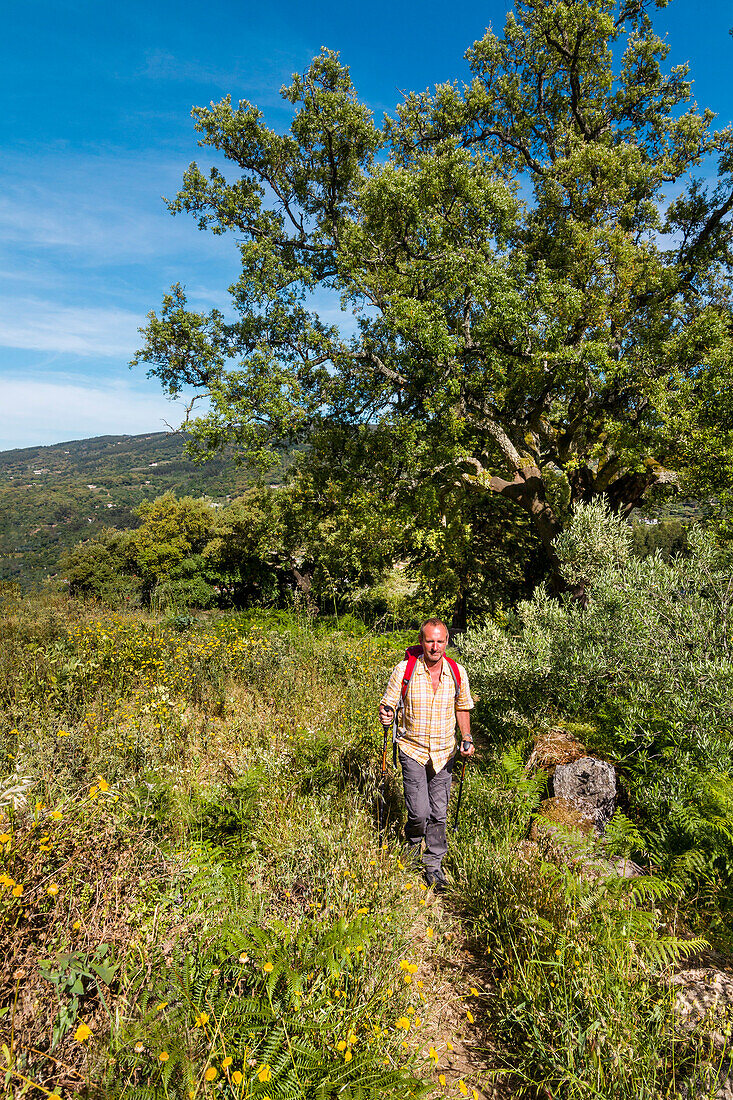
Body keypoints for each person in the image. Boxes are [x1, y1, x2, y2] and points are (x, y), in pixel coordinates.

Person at [378, 618, 475, 890]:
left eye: (440, 641)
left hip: (444, 753)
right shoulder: (405, 670)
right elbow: (388, 705)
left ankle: (434, 864)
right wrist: (386, 716)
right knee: (419, 812)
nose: (435, 646)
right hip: (413, 749)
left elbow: (462, 707)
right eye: (430, 641)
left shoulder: (456, 672)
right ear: (421, 642)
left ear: (447, 642)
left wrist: (466, 737)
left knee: (439, 813)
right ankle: (411, 846)